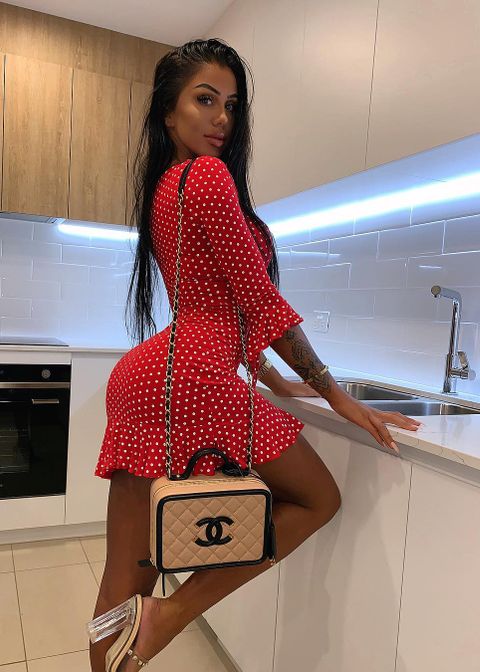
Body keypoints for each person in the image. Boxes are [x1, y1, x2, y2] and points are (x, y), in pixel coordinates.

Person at [87, 38, 421, 671]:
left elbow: (217, 305)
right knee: (318, 500)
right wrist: (335, 395)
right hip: (194, 379)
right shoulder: (205, 176)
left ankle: (144, 626)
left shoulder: (166, 186)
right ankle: (171, 614)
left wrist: (273, 376)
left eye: (232, 105)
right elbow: (258, 300)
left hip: (153, 375)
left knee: (120, 584)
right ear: (168, 112)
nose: (222, 118)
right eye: (204, 100)